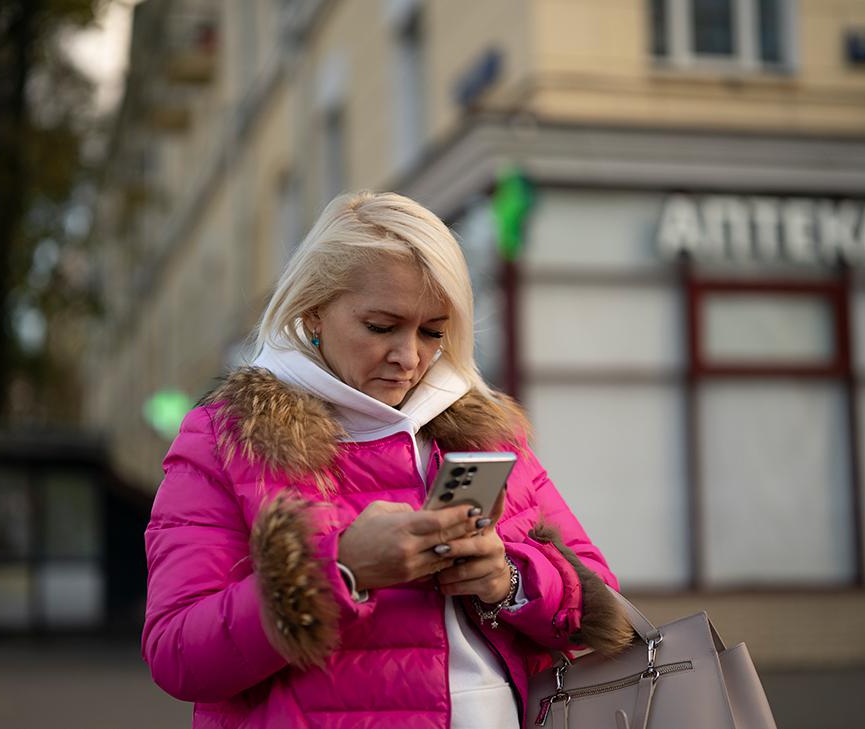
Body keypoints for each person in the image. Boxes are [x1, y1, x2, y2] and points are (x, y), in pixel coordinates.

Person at [142, 191, 631, 728]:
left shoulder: (484, 432)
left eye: (433, 332)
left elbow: (603, 606)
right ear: (313, 312)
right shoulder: (228, 438)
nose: (410, 357)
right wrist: (342, 569)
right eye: (381, 326)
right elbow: (177, 654)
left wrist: (509, 580)